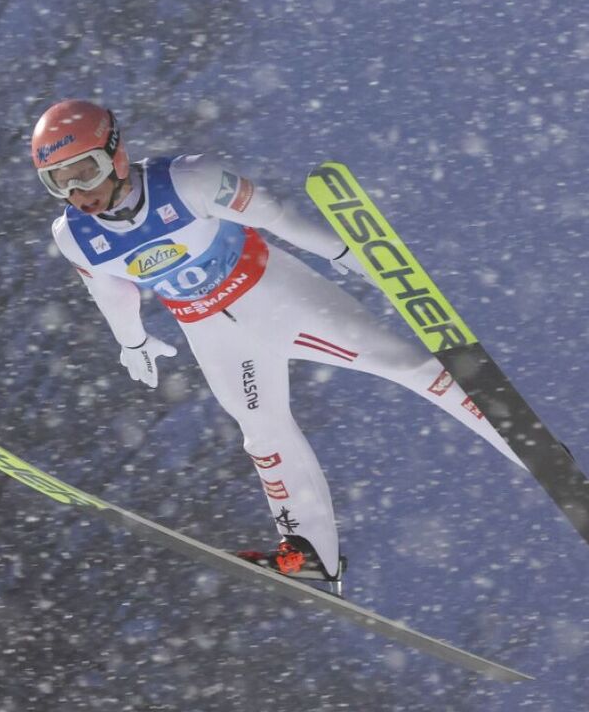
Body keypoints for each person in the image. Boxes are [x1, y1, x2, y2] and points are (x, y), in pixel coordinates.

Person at [30, 99, 523, 586]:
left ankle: (524, 443)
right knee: (262, 434)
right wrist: (133, 343)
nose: (78, 191)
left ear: (116, 154)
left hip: (270, 293)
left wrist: (345, 252)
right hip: (209, 331)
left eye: (85, 171)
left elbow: (274, 215)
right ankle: (309, 551)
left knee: (404, 365)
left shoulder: (187, 180)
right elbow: (111, 293)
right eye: (59, 181)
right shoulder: (73, 234)